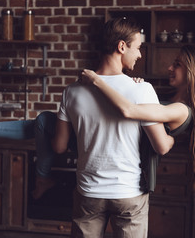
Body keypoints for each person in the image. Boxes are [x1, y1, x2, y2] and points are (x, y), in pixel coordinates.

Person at [49, 17, 175, 238]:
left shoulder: (72, 91)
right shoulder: (141, 89)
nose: (139, 54)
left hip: (89, 191)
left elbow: (59, 147)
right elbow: (161, 147)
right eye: (137, 48)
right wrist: (172, 137)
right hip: (128, 193)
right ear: (121, 46)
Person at [80, 44, 195, 199]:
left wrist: (96, 80)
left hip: (132, 179)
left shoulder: (182, 110)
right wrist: (136, 88)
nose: (169, 68)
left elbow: (129, 111)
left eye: (177, 65)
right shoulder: (167, 98)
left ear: (194, 72)